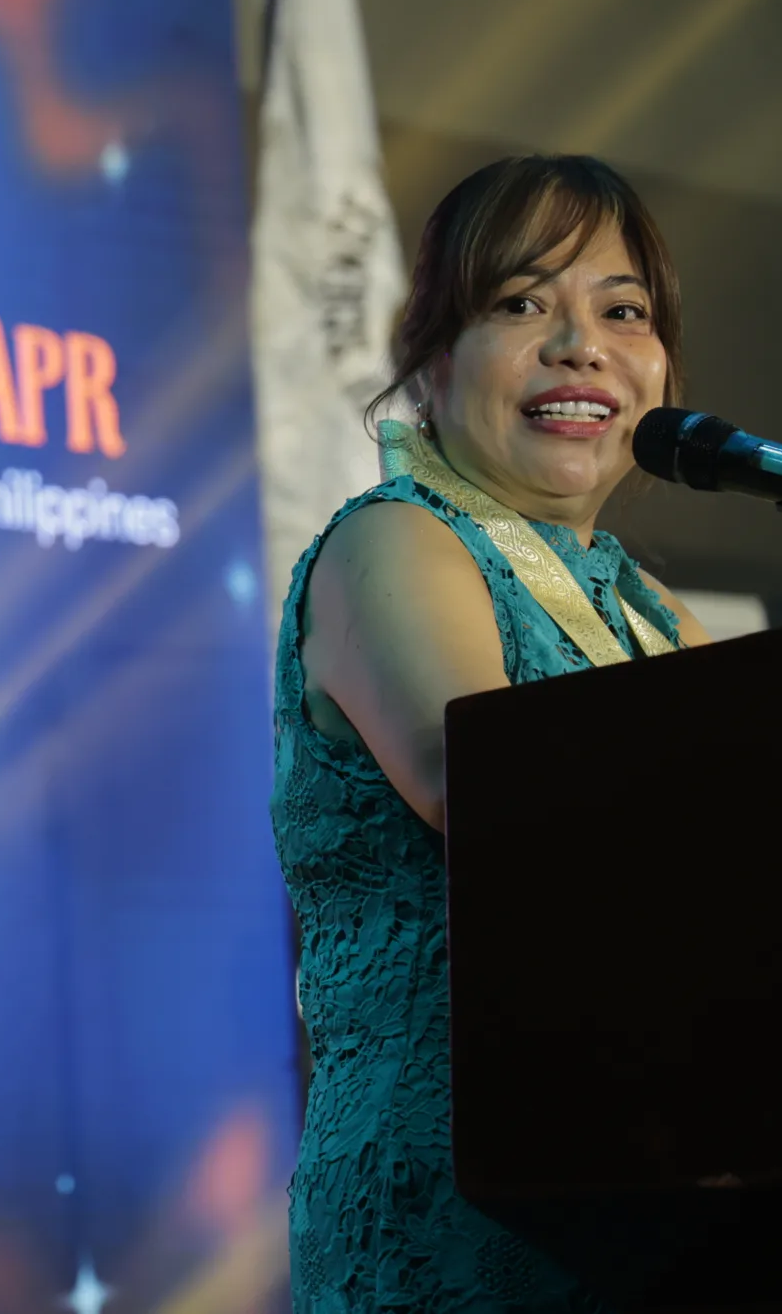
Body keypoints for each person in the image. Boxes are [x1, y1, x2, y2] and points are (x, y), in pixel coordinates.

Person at [274, 154, 713, 1313]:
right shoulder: (392, 543)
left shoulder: (648, 607)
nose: (580, 345)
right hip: (466, 1202)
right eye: (522, 305)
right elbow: (490, 791)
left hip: (652, 1175)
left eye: (623, 312)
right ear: (429, 358)